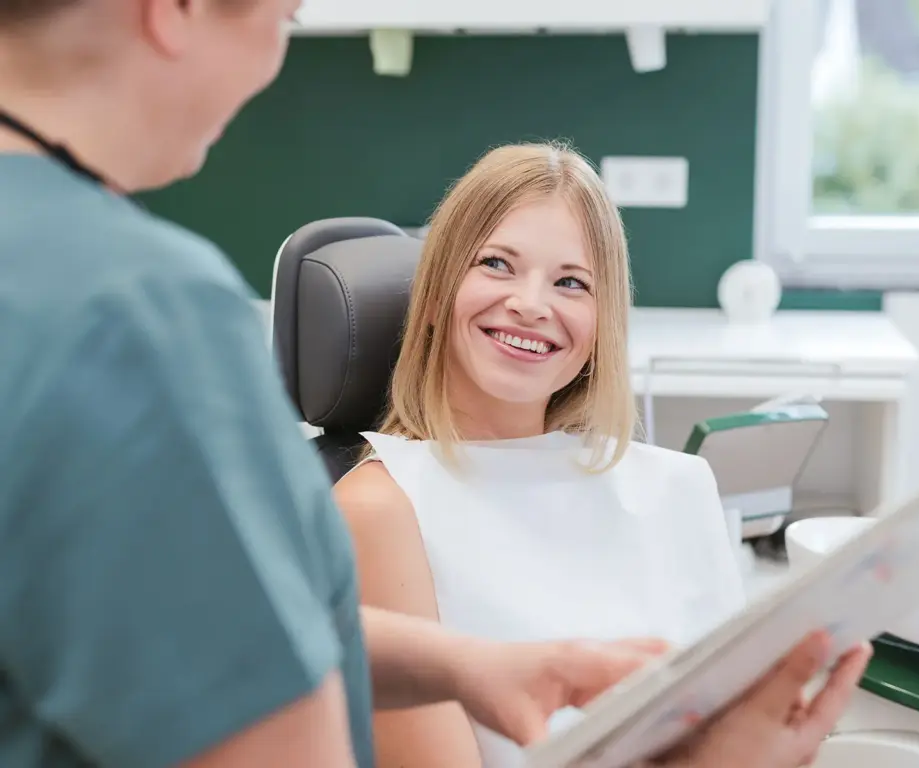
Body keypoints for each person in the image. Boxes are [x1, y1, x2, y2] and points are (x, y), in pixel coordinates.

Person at [0, 2, 700, 767]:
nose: (274, 61)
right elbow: (263, 720)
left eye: (572, 283)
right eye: (286, 17)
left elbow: (180, 624)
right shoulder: (140, 313)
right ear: (176, 11)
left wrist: (467, 668)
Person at [334, 142, 873, 768]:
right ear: (436, 293)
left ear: (600, 328)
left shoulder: (677, 484)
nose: (532, 304)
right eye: (497, 264)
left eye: (571, 282)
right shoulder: (379, 509)